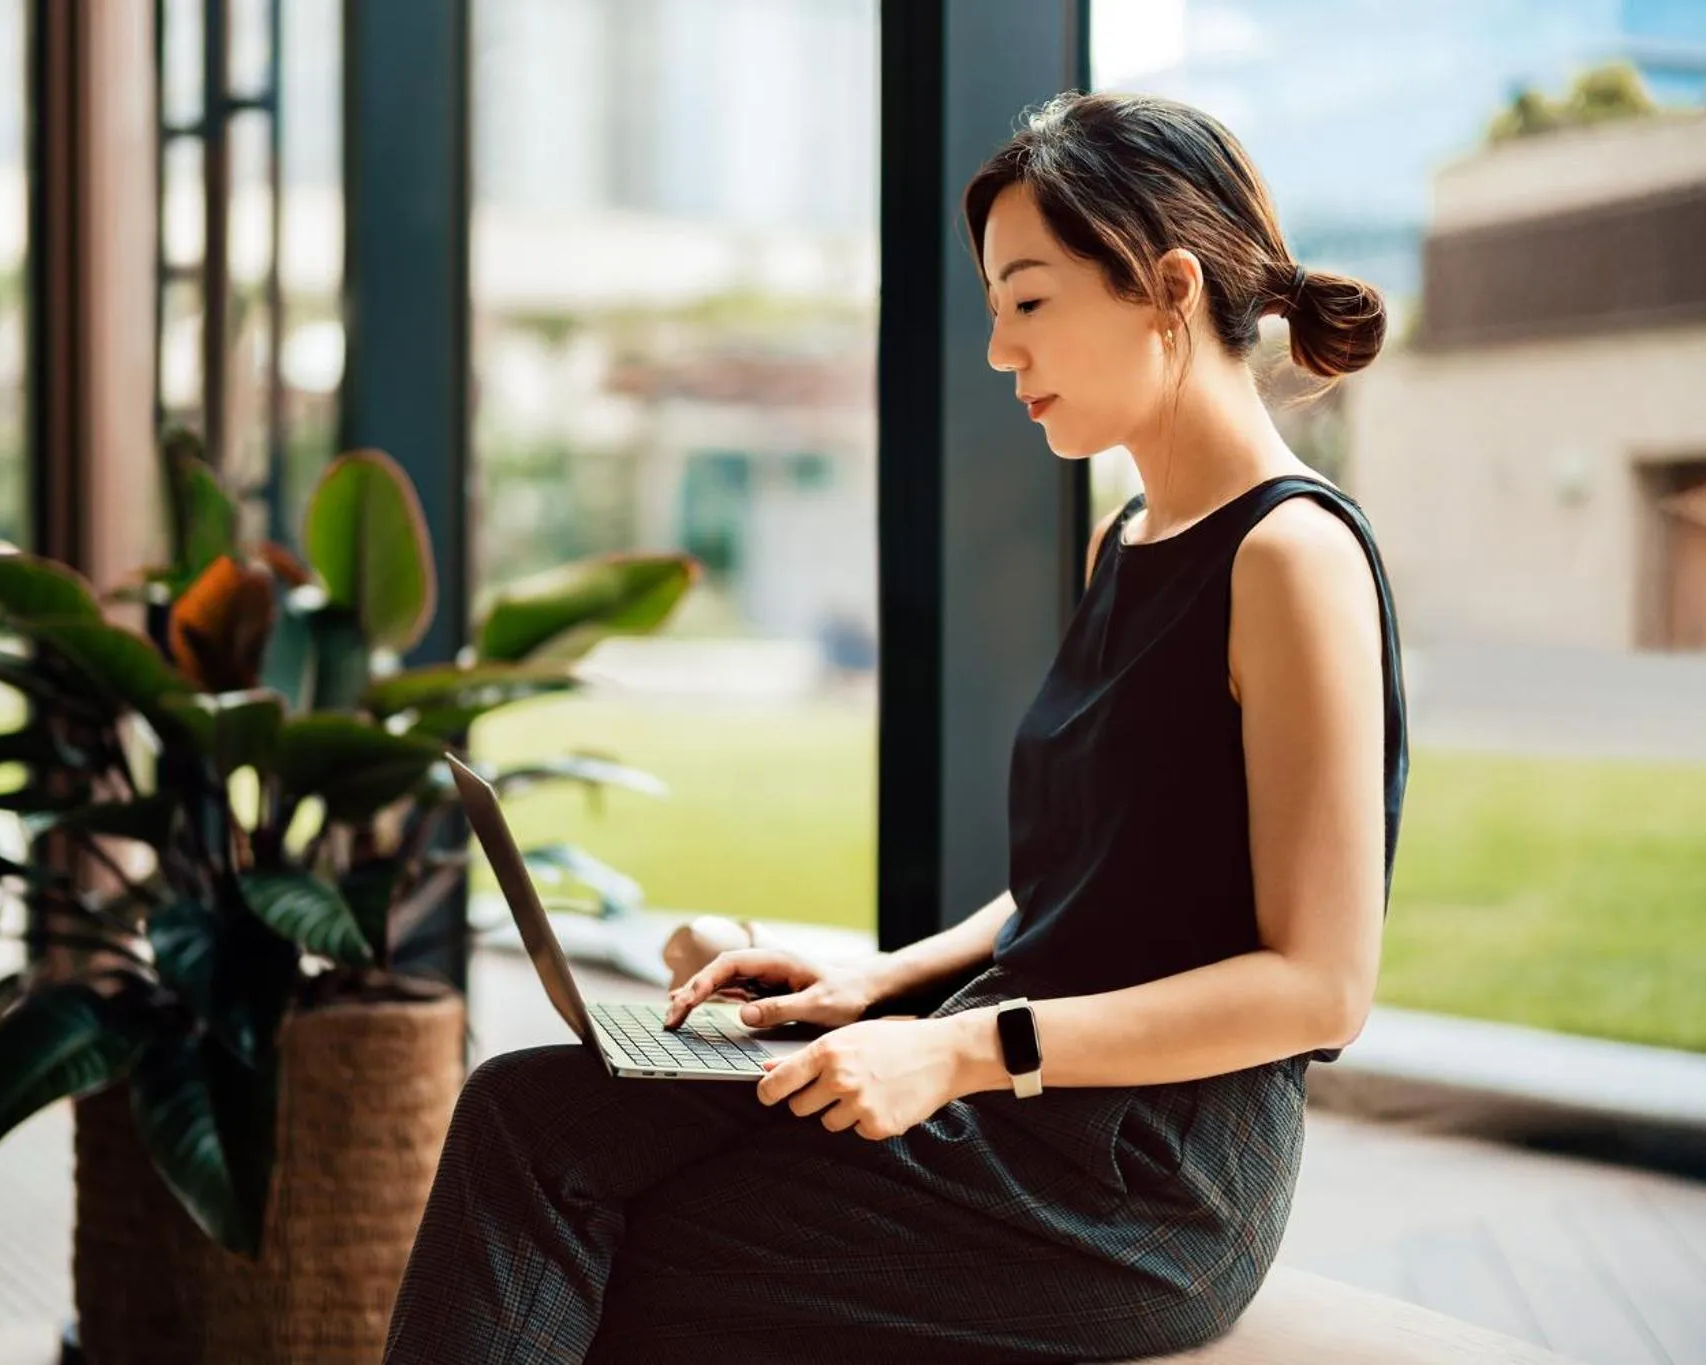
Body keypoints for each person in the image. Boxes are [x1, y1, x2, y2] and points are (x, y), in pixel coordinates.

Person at [381, 89, 1407, 1364]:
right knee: (530, 1112)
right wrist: (873, 981)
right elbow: (1081, 886)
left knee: (620, 1235)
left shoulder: (1291, 557)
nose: (997, 352)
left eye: (1026, 302)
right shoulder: (1128, 542)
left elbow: (1320, 987)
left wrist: (962, 1051)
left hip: (1140, 1184)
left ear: (1166, 286)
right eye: (994, 309)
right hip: (1019, 1092)